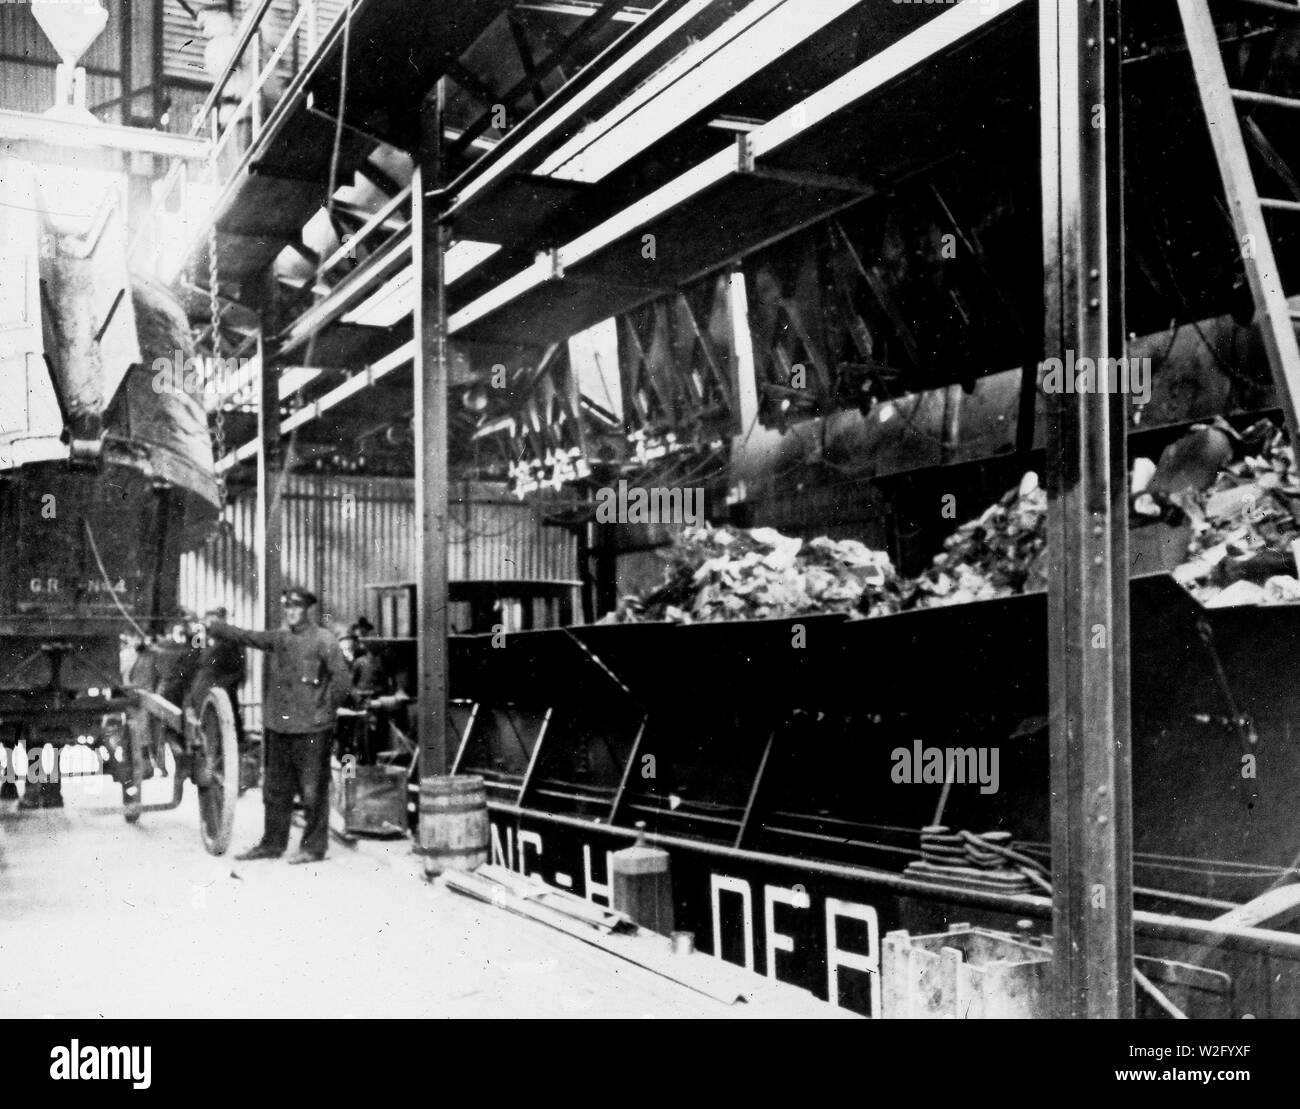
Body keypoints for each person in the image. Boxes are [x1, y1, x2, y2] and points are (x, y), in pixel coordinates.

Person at [207, 587, 349, 864]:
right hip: (279, 727)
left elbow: (341, 682)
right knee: (275, 791)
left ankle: (313, 848)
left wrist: (323, 711)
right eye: (287, 608)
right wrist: (216, 628)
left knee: (313, 792)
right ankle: (272, 844)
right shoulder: (280, 638)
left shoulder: (324, 640)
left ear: (307, 609)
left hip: (312, 730)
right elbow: (248, 637)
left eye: (296, 607)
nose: (291, 612)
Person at [189, 606, 247, 748]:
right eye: (208, 622)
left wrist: (220, 687)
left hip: (220, 693)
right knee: (204, 733)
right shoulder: (203, 639)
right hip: (202, 691)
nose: (210, 626)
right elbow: (194, 658)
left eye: (215, 622)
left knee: (221, 735)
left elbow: (239, 672)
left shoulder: (232, 642)